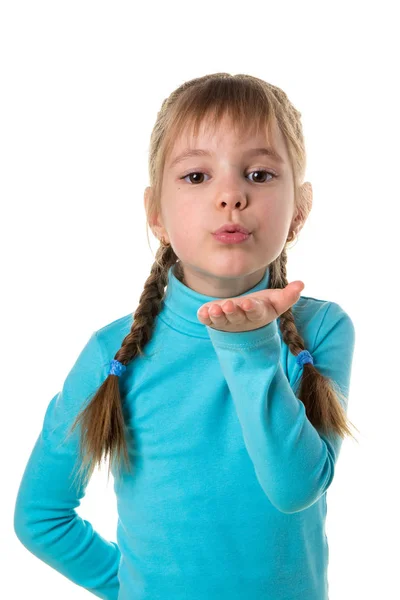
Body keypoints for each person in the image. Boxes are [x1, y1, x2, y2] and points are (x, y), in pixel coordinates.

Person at [13, 72, 358, 600]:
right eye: (196, 176)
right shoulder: (113, 355)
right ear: (155, 212)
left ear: (300, 209)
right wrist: (137, 588)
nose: (231, 195)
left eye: (260, 174)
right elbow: (41, 517)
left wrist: (249, 344)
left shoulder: (322, 330)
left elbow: (295, 489)